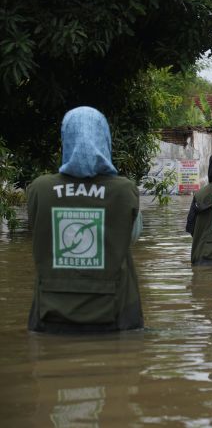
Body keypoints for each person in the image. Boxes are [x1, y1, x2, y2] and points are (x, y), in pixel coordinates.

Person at [26, 106, 144, 333]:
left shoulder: (40, 189)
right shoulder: (123, 190)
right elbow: (131, 238)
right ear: (105, 139)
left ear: (66, 139)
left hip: (49, 316)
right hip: (115, 317)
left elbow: (40, 231)